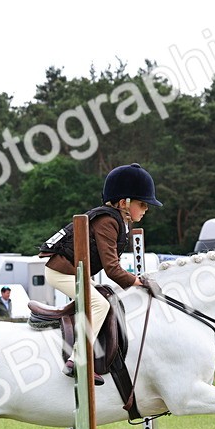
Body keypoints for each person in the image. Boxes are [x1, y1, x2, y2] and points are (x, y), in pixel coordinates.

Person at [38, 163, 159, 384]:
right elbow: (112, 269)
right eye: (142, 204)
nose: (146, 209)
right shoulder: (107, 222)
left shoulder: (119, 221)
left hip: (75, 273)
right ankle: (77, 360)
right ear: (124, 203)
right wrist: (138, 281)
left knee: (106, 296)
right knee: (100, 305)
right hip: (61, 274)